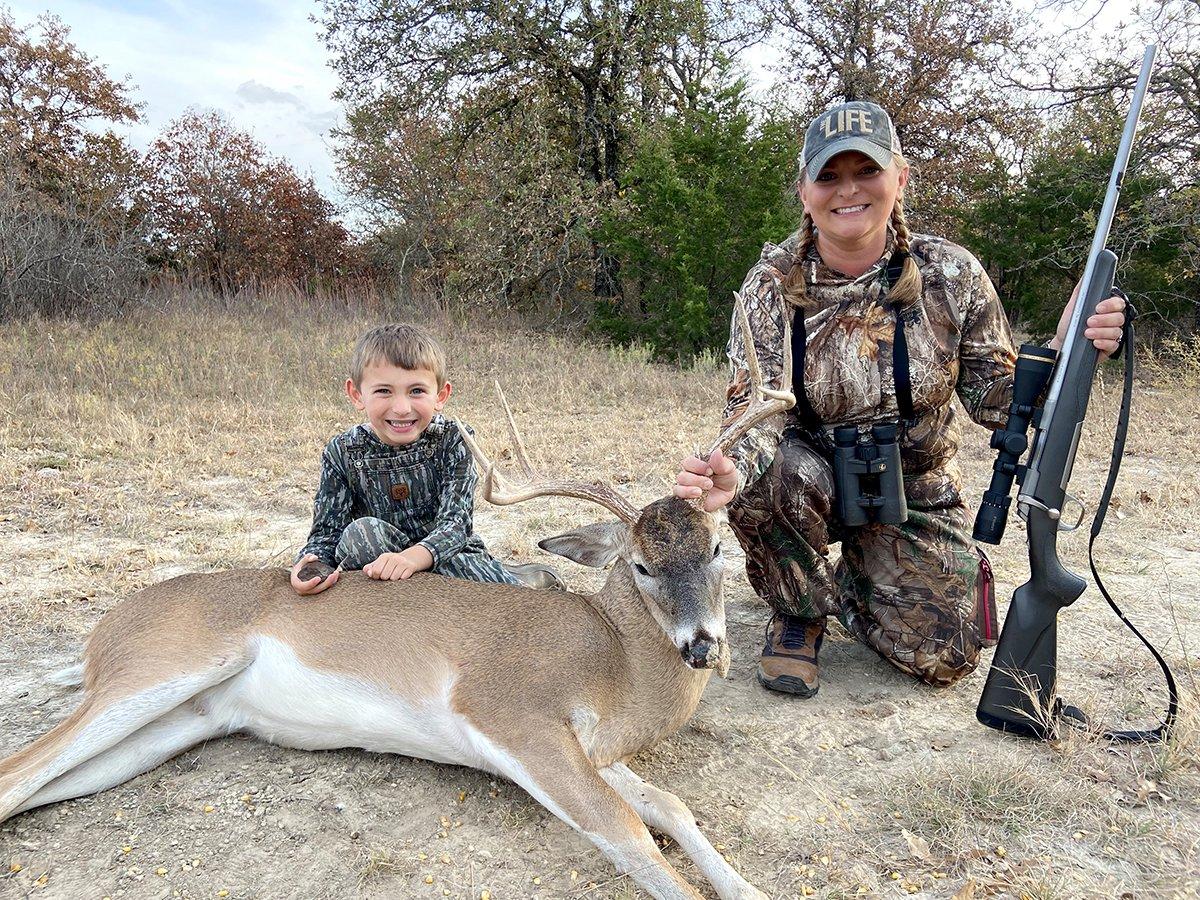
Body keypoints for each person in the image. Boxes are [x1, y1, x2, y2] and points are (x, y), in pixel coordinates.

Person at [674, 101, 1127, 698]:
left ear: (900, 179)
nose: (849, 191)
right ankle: (800, 611)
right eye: (829, 176)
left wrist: (1073, 349)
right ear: (805, 192)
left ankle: (862, 585)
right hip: (809, 483)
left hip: (914, 491)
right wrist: (735, 468)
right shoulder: (771, 285)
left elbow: (1001, 401)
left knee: (947, 656)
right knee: (770, 476)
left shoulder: (950, 275)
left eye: (867, 172)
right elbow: (756, 414)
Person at [291, 322, 563, 595]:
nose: (401, 408)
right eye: (384, 391)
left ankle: (522, 580)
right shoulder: (341, 452)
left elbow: (456, 525)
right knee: (360, 537)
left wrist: (412, 559)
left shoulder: (453, 439)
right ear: (356, 394)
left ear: (441, 395)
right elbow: (326, 534)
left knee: (514, 602)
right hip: (378, 561)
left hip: (448, 557)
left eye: (417, 391)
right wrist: (311, 568)